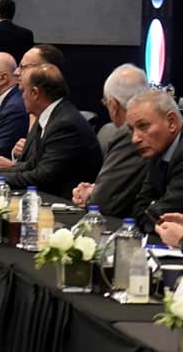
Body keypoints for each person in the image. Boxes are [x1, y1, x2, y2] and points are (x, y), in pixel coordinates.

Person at [0, 65, 101, 196]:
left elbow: (43, 176)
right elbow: (32, 164)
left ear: (35, 93)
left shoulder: (65, 124)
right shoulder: (51, 115)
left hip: (64, 199)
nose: (22, 97)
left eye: (23, 91)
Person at [70, 65, 150, 217]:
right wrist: (97, 189)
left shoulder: (129, 134)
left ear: (113, 105)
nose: (138, 136)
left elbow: (102, 203)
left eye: (105, 103)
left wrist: (90, 196)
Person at [125, 90, 183, 229]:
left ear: (172, 122)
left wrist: (149, 214)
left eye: (143, 126)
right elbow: (139, 207)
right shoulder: (158, 151)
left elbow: (165, 215)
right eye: (132, 130)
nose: (135, 139)